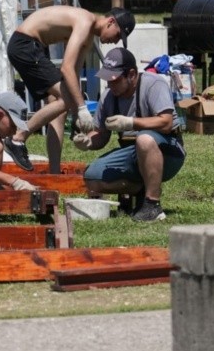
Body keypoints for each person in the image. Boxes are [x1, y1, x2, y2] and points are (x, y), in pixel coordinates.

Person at [4, 5, 136, 173]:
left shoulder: (88, 36)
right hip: (25, 44)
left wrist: (76, 115)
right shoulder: (86, 21)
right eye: (118, 35)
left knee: (58, 106)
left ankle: (54, 171)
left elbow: (73, 73)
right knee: (65, 99)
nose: (115, 41)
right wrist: (81, 108)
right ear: (110, 22)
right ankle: (18, 139)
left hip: (31, 46)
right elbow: (66, 68)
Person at [70, 47, 186, 222]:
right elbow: (101, 135)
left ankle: (152, 205)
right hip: (134, 153)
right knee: (91, 178)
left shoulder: (154, 84)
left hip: (168, 152)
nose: (109, 84)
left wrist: (130, 123)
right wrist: (87, 142)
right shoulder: (109, 96)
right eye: (107, 79)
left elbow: (166, 122)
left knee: (145, 139)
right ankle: (140, 190)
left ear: (131, 74)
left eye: (114, 80)